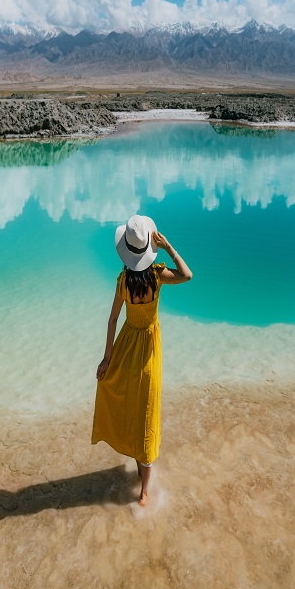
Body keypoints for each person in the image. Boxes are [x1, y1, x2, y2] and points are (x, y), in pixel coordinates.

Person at [91, 214, 193, 506]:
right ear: (151, 245)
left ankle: (140, 471)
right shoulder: (158, 275)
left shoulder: (124, 281)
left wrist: (107, 359)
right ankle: (145, 490)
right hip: (149, 348)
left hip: (126, 345)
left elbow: (112, 320)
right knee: (147, 410)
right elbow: (187, 275)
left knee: (130, 404)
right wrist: (170, 247)